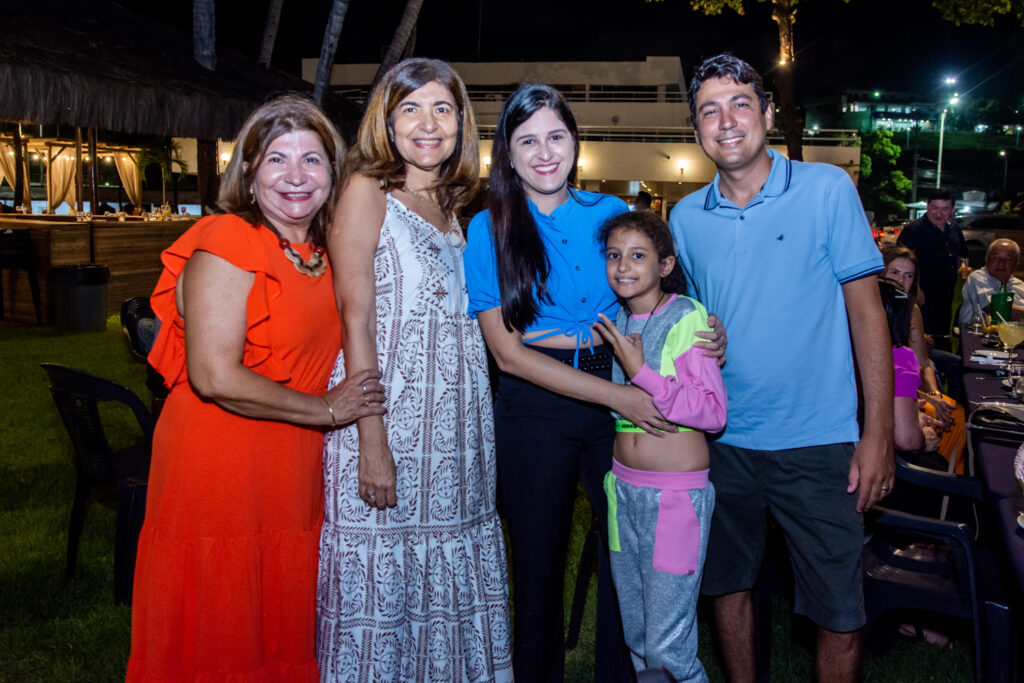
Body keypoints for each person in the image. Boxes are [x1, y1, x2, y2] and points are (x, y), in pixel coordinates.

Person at [464, 83, 726, 682]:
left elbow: (665, 302)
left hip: (616, 391)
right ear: (507, 151)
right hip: (539, 402)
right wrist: (623, 394)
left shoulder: (610, 216)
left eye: (556, 136)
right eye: (527, 140)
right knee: (537, 566)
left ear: (576, 142)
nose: (544, 152)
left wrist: (710, 334)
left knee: (624, 562)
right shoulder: (489, 227)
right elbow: (507, 354)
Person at [127, 95, 386, 681]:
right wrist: (325, 409)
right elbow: (214, 375)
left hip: (289, 465)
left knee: (273, 618)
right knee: (221, 623)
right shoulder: (229, 238)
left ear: (333, 173)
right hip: (220, 462)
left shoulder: (315, 252)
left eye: (313, 160)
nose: (296, 176)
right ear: (248, 171)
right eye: (276, 159)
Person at [670, 54, 893, 682]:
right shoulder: (685, 220)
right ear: (696, 131)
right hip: (720, 440)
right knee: (728, 588)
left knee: (838, 612)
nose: (726, 120)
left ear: (767, 113)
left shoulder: (826, 189)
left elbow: (868, 316)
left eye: (740, 103)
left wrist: (876, 436)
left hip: (818, 441)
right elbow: (687, 321)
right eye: (709, 110)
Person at [317, 58, 512, 681]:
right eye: (411, 108)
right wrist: (371, 438)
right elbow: (357, 317)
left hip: (456, 436)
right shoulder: (366, 190)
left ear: (461, 123)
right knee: (385, 589)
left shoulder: (452, 206)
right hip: (391, 423)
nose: (428, 124)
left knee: (444, 584)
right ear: (387, 120)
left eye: (443, 109)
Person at [593, 210, 727, 681]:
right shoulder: (616, 317)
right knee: (639, 636)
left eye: (637, 255)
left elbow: (713, 413)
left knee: (669, 646)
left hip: (674, 499)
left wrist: (642, 374)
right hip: (622, 494)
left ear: (665, 265)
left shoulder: (688, 316)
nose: (623, 266)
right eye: (614, 255)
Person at [896, 188, 966, 347]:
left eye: (944, 209)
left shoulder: (954, 227)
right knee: (921, 334)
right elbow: (902, 261)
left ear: (953, 209)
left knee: (941, 333)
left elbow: (960, 253)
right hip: (923, 293)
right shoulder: (914, 230)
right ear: (927, 206)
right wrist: (916, 286)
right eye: (935, 208)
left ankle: (940, 363)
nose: (939, 213)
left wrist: (962, 266)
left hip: (946, 293)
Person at [959, 238, 1024, 324]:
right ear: (986, 259)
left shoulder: (1020, 285)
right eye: (996, 258)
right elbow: (995, 309)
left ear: (1016, 263)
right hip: (978, 333)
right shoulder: (977, 278)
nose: (1001, 263)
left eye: (1008, 259)